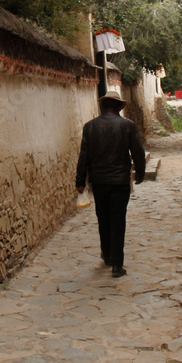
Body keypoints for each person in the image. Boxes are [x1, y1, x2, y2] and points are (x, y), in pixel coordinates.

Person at [75, 90, 146, 278]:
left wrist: (80, 181)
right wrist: (140, 173)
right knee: (118, 220)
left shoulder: (89, 127)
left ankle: (107, 255)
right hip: (120, 181)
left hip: (98, 182)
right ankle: (117, 264)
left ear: (103, 106)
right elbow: (138, 152)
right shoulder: (128, 126)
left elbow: (84, 156)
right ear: (118, 107)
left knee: (103, 218)